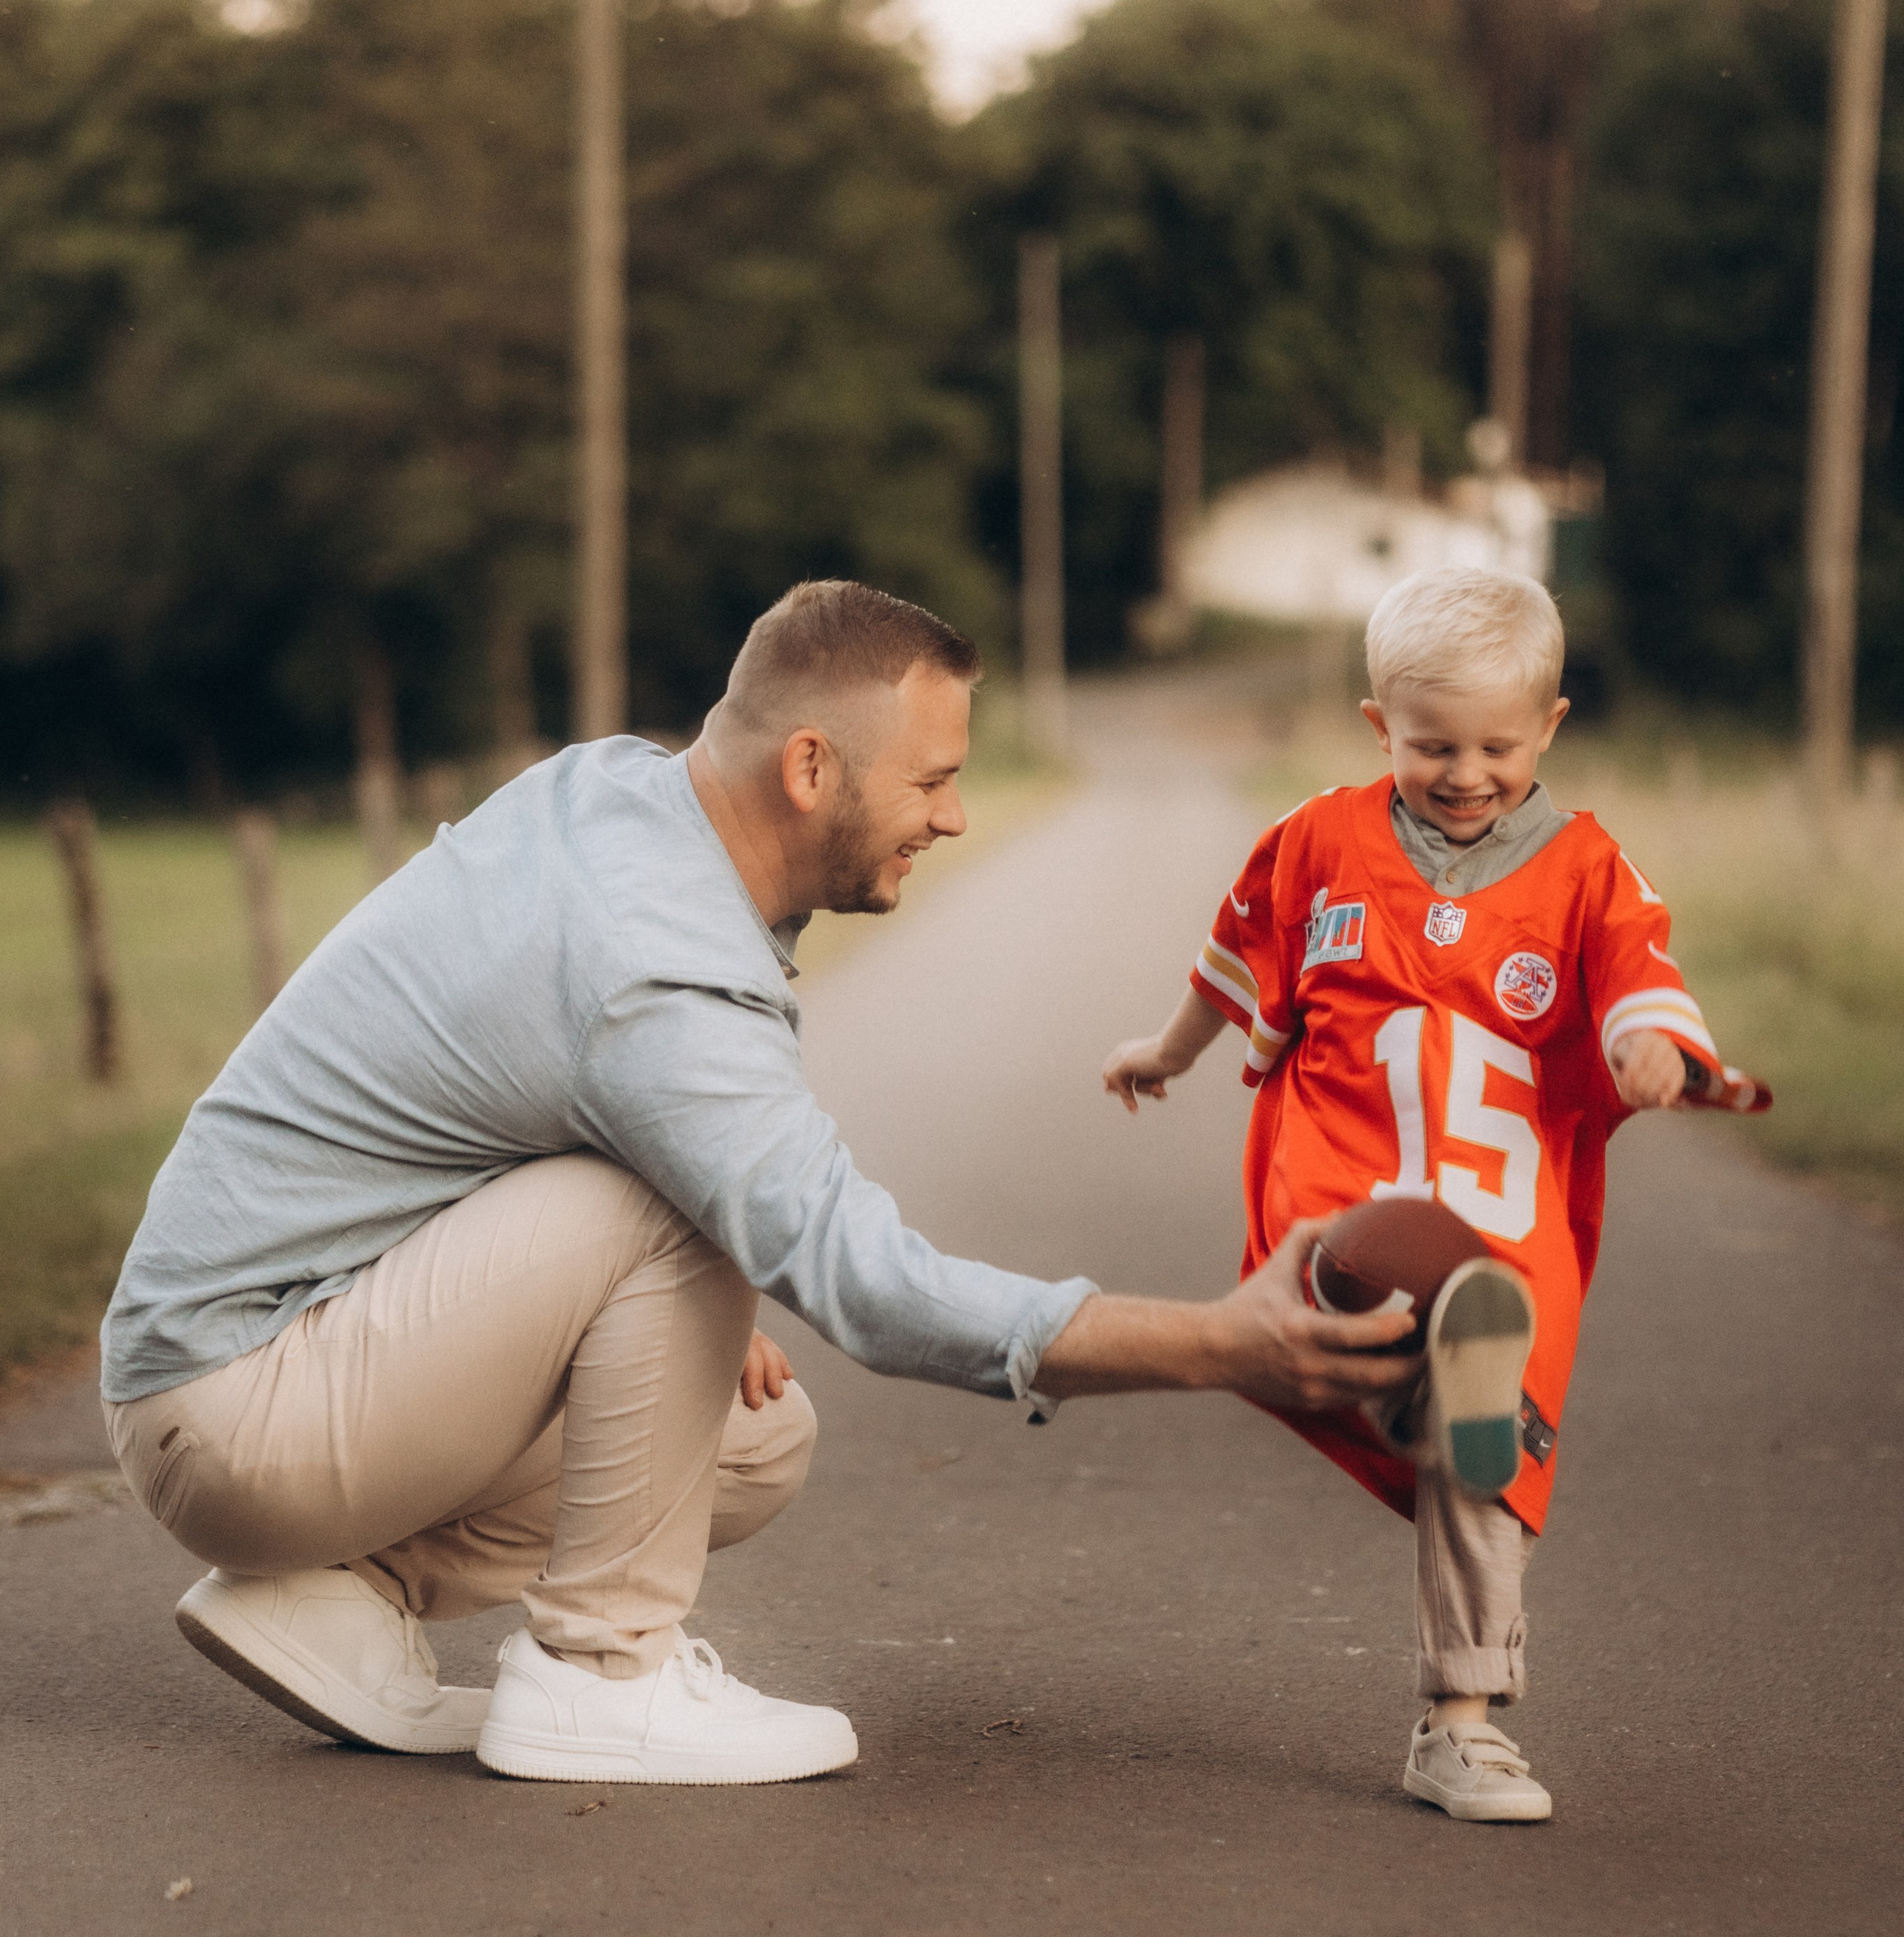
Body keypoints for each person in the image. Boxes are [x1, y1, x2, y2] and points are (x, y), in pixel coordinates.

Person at [103, 579, 1417, 1788]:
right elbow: (869, 1284)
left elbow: (536, 1085)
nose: (955, 815)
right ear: (809, 768)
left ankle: (342, 1594)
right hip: (237, 1402)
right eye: (935, 780)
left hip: (289, 1367)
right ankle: (600, 1676)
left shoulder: (620, 793)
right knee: (686, 1213)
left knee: (751, 1444)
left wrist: (656, 1317)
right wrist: (1223, 1346)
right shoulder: (659, 974)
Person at [1101, 566, 1767, 1824]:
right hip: (1343, 1203)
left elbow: (1642, 977)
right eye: (1431, 745)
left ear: (1552, 728)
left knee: (1486, 1452)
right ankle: (1386, 1366)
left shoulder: (1586, 872)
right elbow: (1239, 951)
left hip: (1509, 1253)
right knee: (1373, 1307)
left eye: (1496, 746)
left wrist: (1654, 1048)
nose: (1465, 773)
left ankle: (1460, 1727)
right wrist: (1170, 1049)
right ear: (1378, 729)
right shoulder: (1319, 841)